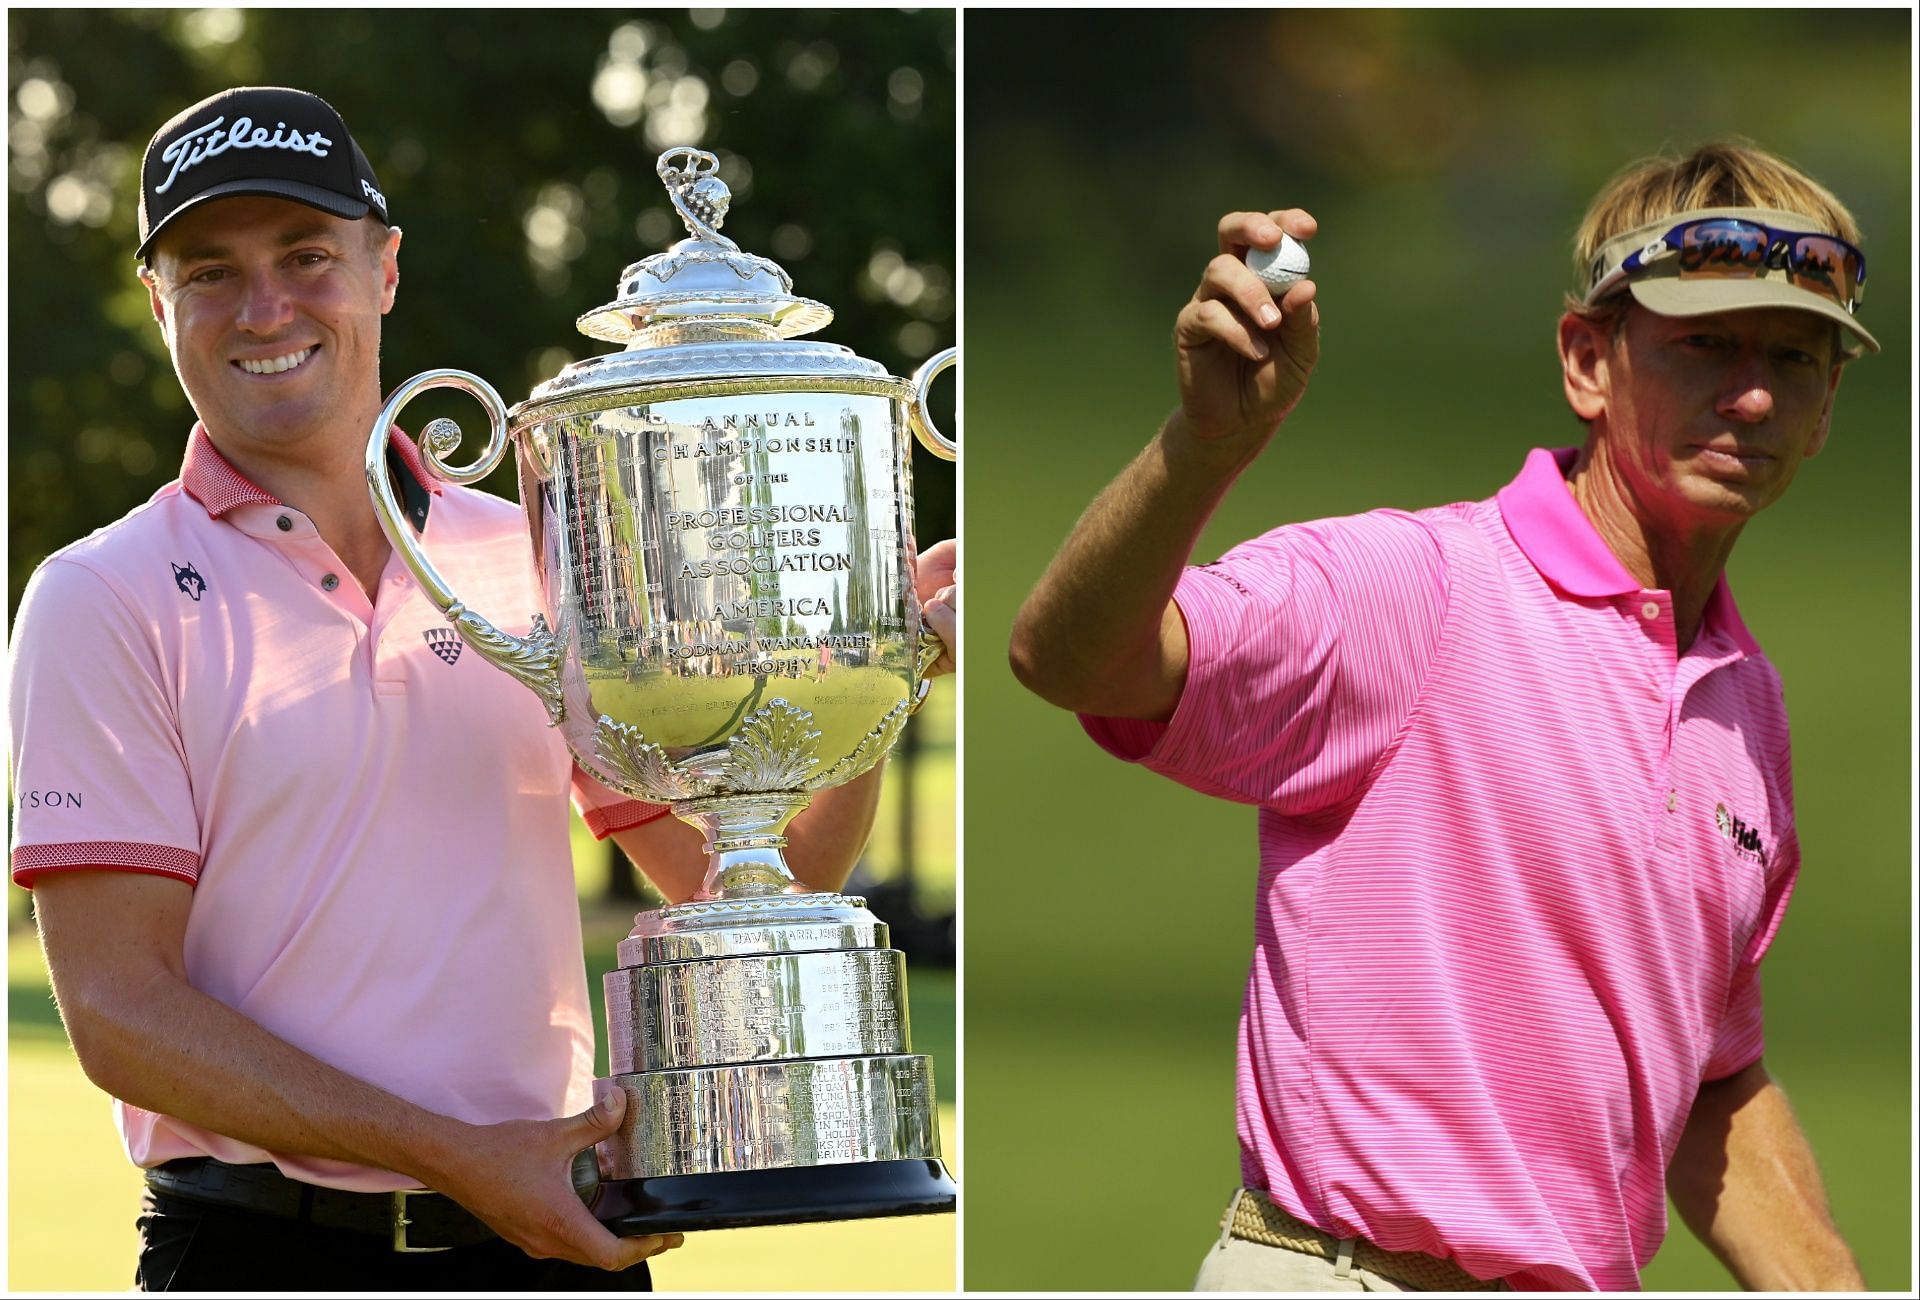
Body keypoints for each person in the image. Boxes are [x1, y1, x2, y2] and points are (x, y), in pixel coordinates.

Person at [7, 86, 956, 1292]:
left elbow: (759, 875)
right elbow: (118, 1010)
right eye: (208, 271)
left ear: (384, 268)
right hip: (262, 1253)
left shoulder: (546, 553)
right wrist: (458, 1157)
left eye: (307, 255)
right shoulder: (103, 594)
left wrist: (882, 674)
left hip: (547, 1241)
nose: (265, 307)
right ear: (158, 301)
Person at [1009, 141, 1872, 1292]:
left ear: (1825, 408)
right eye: (1705, 344)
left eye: (1794, 357)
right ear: (1586, 361)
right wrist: (1204, 447)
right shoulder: (1418, 588)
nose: (1752, 392)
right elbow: (1075, 659)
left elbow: (1708, 1067)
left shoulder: (1745, 701)